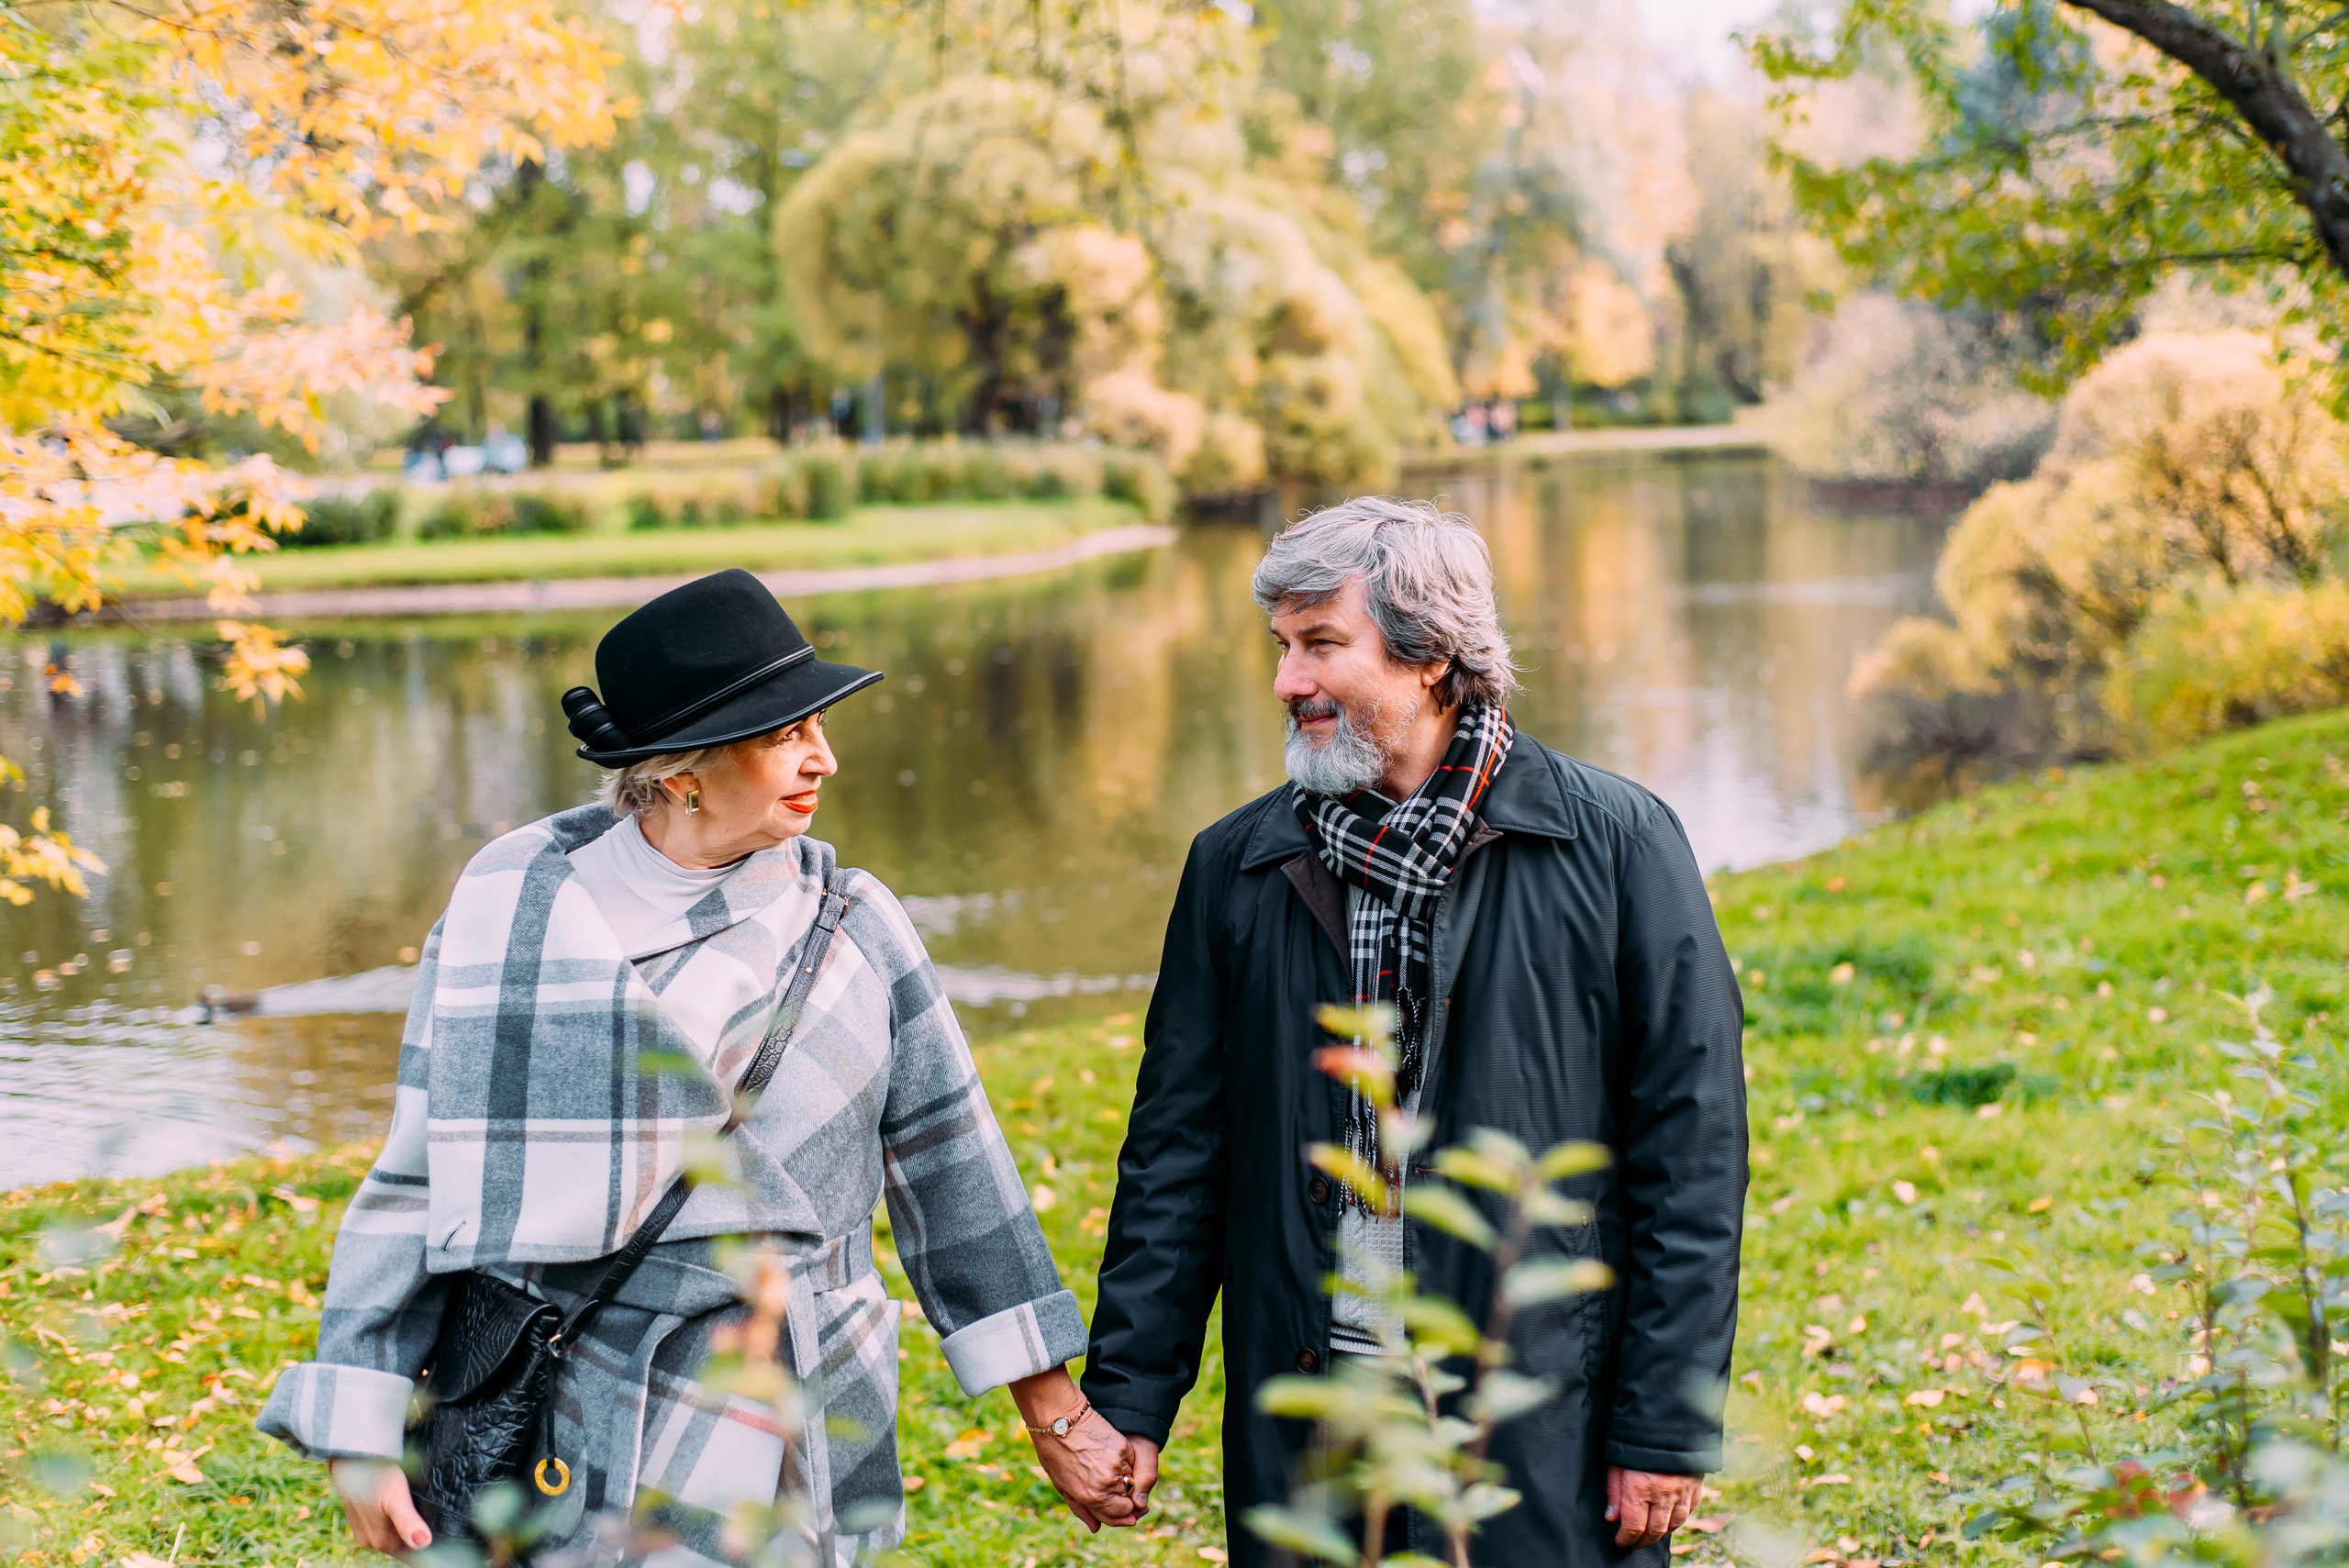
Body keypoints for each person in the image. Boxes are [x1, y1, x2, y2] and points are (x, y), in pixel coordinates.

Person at [258, 569, 1139, 1564]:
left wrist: (1052, 1410)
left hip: (794, 1387)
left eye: (816, 726)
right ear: (682, 770)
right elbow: (422, 1171)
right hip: (580, 1391)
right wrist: (362, 1420)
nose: (826, 758)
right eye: (783, 735)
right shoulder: (515, 915)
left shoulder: (850, 924)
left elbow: (954, 1166)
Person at [1083, 499, 1747, 1566]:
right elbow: (1177, 1153)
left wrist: (1664, 1421)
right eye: (1281, 647)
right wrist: (1129, 1392)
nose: (1285, 681)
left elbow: (1692, 1152)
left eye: (1319, 644)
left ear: (1432, 654)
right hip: (1307, 1415)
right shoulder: (1233, 864)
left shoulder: (1620, 845)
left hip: (1533, 1414)